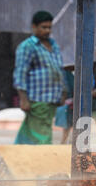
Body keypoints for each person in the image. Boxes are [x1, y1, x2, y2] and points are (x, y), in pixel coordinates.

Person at [13, 11, 66, 144]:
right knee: (41, 136)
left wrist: (63, 92)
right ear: (34, 27)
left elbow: (59, 69)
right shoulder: (27, 46)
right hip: (37, 99)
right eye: (43, 27)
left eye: (49, 27)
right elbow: (20, 73)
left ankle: (19, 158)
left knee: (34, 133)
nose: (47, 30)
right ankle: (39, 161)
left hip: (52, 99)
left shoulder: (54, 45)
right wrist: (23, 99)